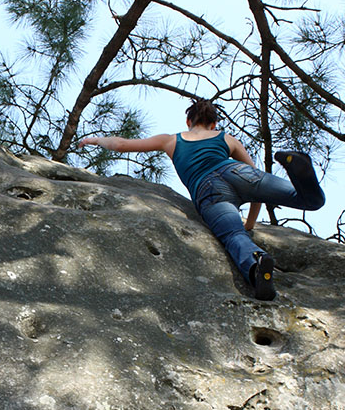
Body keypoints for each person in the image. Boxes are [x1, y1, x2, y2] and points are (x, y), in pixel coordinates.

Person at [79, 99, 325, 301]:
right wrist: (250, 223)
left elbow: (122, 145)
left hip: (208, 189)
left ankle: (257, 264)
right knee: (308, 200)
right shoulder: (227, 139)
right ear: (214, 123)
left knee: (234, 237)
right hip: (238, 173)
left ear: (189, 121)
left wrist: (94, 140)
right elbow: (257, 186)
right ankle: (300, 170)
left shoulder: (171, 140)